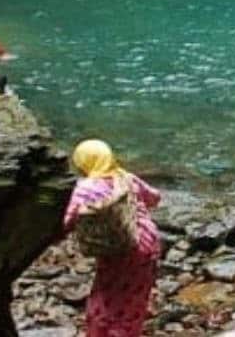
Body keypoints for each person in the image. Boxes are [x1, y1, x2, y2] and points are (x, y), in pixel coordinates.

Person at [63, 140, 161, 337]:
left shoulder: (85, 189)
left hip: (120, 248)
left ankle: (102, 333)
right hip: (148, 242)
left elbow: (68, 221)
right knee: (134, 297)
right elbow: (155, 197)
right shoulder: (125, 177)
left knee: (106, 296)